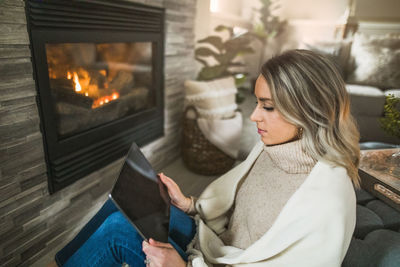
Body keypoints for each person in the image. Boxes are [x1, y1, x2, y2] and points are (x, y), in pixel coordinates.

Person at [56, 49, 360, 267]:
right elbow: (236, 209)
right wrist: (188, 205)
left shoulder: (325, 203)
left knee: (116, 231)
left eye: (267, 107)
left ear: (308, 110)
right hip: (213, 246)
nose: (254, 116)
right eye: (257, 103)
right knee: (125, 201)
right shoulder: (276, 148)